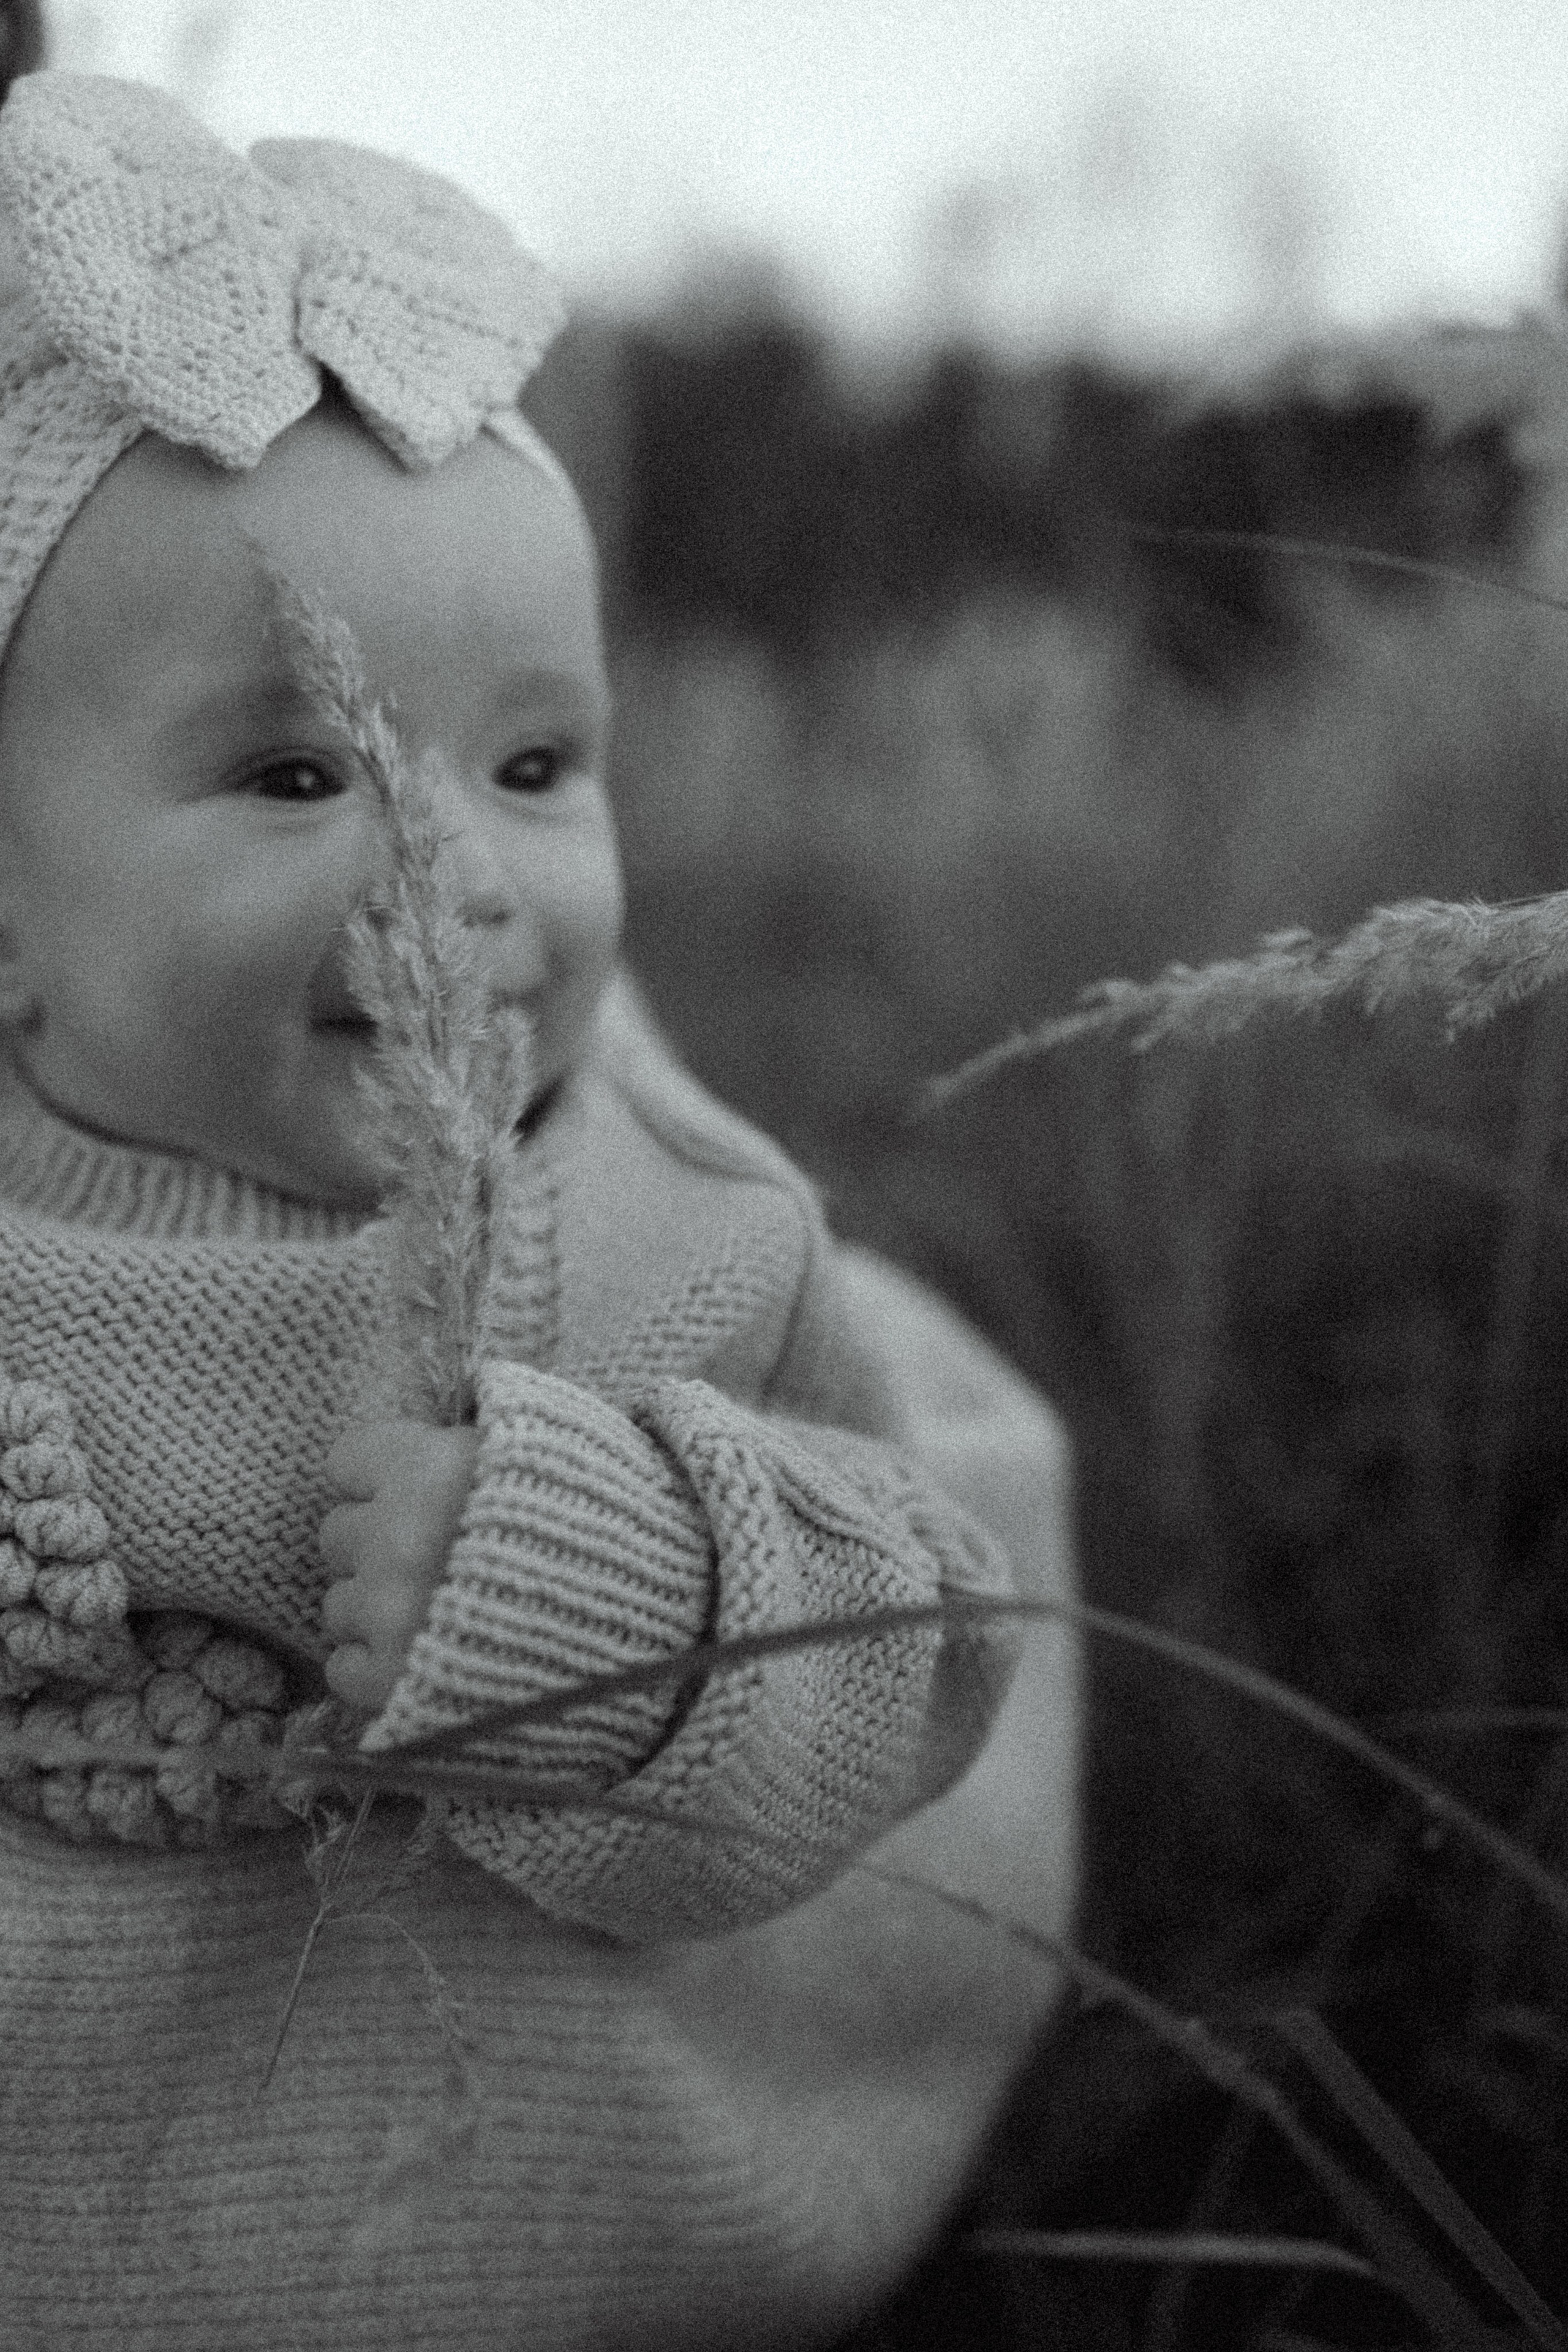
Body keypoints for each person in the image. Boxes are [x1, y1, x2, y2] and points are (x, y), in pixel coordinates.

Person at [0, 71, 1080, 2352]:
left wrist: (603, 1579)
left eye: (534, 765)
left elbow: (908, 1652)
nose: (458, 869)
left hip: (466, 2186)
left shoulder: (672, 1237)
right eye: (299, 770)